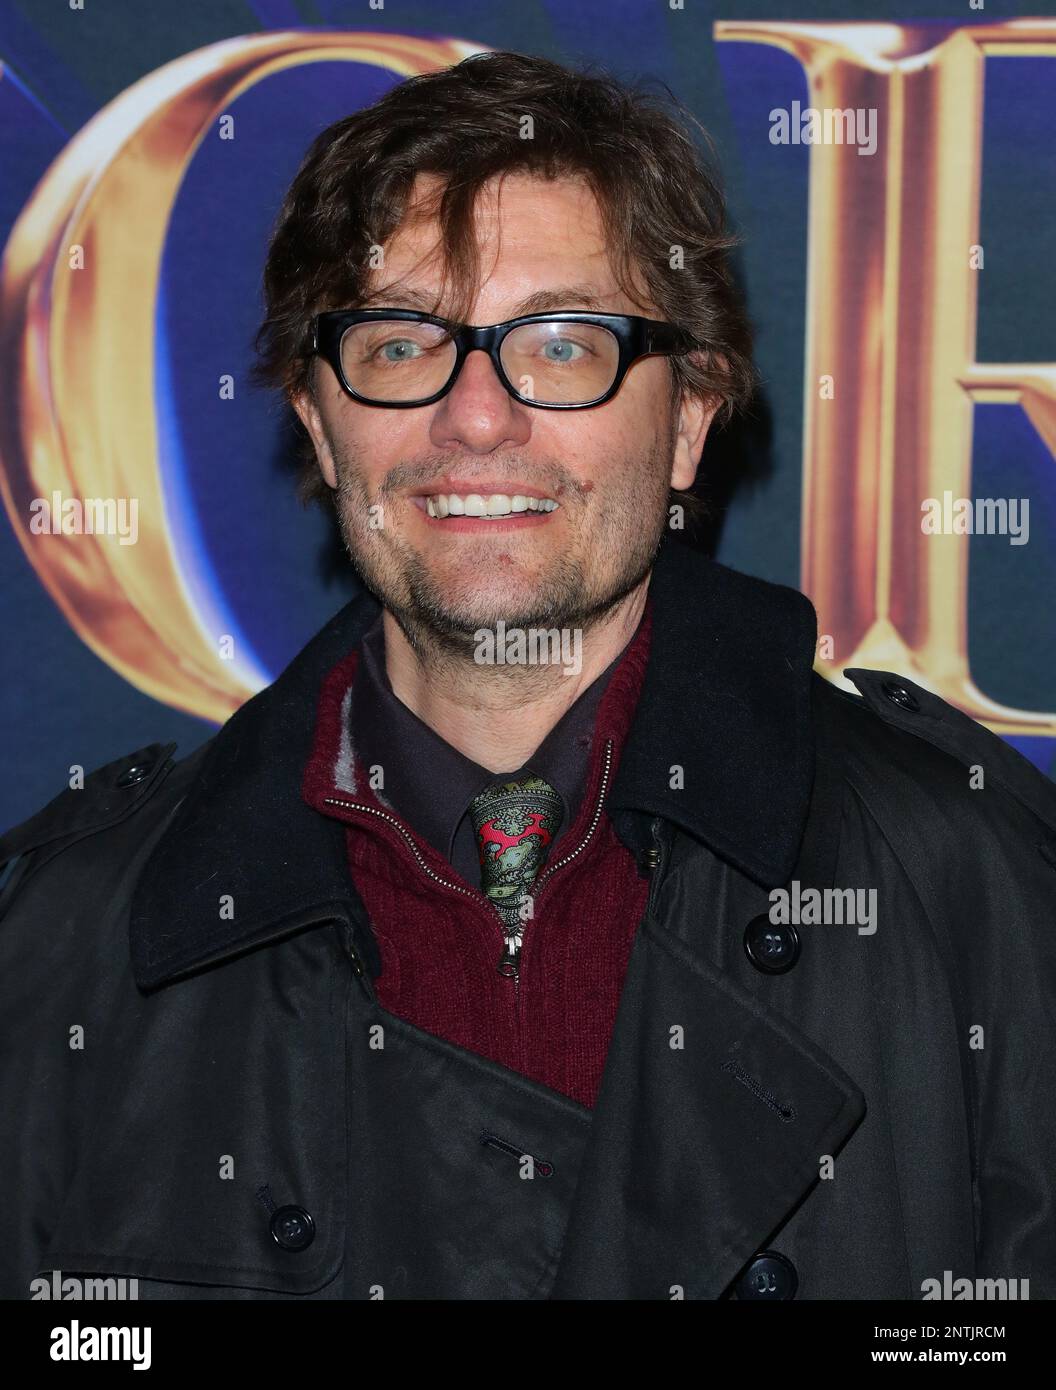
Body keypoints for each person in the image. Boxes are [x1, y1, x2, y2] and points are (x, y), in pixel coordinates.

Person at [1, 50, 1054, 1302]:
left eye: (562, 345)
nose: (479, 418)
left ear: (690, 418)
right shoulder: (73, 936)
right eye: (399, 343)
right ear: (320, 421)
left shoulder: (973, 890)